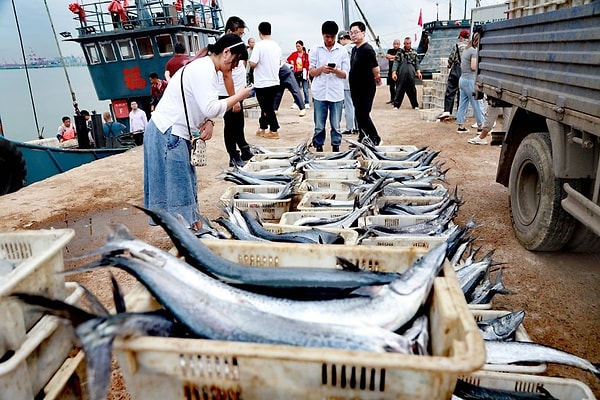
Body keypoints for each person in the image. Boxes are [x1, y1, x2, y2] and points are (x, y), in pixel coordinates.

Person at [144, 33, 252, 230]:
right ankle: (187, 230)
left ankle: (188, 226)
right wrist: (238, 96)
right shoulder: (204, 69)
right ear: (226, 53)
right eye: (235, 62)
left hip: (171, 131)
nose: (235, 67)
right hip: (168, 132)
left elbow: (203, 106)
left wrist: (209, 121)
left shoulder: (205, 67)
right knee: (179, 186)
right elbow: (210, 106)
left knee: (183, 183)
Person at [218, 16, 254, 167]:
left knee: (239, 122)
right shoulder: (223, 47)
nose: (240, 38)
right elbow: (226, 75)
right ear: (229, 31)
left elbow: (241, 67)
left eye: (241, 34)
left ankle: (244, 148)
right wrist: (234, 98)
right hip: (227, 92)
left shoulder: (237, 46)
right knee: (231, 124)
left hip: (239, 89)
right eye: (238, 34)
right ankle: (233, 155)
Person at [308, 20, 349, 152]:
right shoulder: (315, 50)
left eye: (332, 36)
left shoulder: (342, 51)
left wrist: (335, 70)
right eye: (327, 36)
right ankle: (318, 146)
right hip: (320, 92)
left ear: (336, 36)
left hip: (336, 92)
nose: (330, 39)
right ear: (323, 35)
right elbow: (311, 71)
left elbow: (345, 74)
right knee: (319, 124)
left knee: (336, 124)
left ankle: (335, 146)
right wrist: (321, 69)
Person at [349, 21, 382, 145]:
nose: (353, 35)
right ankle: (362, 137)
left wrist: (370, 79)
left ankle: (375, 138)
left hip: (366, 87)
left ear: (363, 33)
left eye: (356, 32)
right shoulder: (354, 49)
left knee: (363, 114)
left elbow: (376, 69)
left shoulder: (368, 49)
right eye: (351, 33)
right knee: (358, 113)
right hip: (355, 87)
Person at [248, 22, 282, 139]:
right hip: (274, 80)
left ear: (259, 32)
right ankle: (262, 127)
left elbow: (253, 63)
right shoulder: (276, 46)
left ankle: (274, 129)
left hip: (262, 82)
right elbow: (279, 63)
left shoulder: (259, 45)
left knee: (266, 107)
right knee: (267, 106)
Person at [456, 32, 484, 133]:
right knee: (477, 103)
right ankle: (481, 127)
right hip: (470, 81)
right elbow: (473, 66)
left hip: (462, 79)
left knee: (462, 104)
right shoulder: (474, 51)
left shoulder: (467, 49)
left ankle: (461, 126)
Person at [438, 29, 470, 119]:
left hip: (457, 69)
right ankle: (461, 114)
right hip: (467, 71)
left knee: (451, 89)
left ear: (461, 37)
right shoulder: (472, 46)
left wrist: (449, 64)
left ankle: (447, 111)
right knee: (462, 93)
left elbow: (451, 58)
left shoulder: (456, 45)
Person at [391, 37, 422, 110]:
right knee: (399, 89)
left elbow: (417, 63)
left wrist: (418, 72)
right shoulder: (400, 52)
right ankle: (396, 105)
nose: (408, 45)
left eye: (409, 43)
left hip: (411, 73)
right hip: (402, 73)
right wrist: (394, 72)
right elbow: (396, 62)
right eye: (407, 43)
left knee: (412, 89)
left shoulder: (414, 52)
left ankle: (415, 105)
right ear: (404, 44)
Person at [338, 30, 357, 135]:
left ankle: (350, 127)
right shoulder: (356, 48)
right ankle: (357, 126)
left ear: (342, 39)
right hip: (357, 80)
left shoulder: (343, 49)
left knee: (349, 105)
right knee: (356, 105)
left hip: (346, 81)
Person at [286, 40, 310, 109]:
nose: (298, 48)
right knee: (296, 89)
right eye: (296, 46)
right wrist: (292, 62)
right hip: (296, 73)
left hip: (304, 73)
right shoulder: (294, 54)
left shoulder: (306, 55)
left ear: (302, 46)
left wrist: (307, 73)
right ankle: (296, 102)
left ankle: (307, 102)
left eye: (299, 46)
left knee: (305, 89)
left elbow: (308, 64)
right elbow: (287, 60)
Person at [385, 39, 401, 104]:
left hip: (398, 71)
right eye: (394, 44)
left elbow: (400, 58)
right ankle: (392, 99)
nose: (395, 45)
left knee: (398, 86)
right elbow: (387, 56)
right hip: (390, 71)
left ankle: (397, 100)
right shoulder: (390, 50)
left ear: (399, 44)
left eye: (397, 44)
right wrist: (395, 57)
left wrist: (393, 58)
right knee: (391, 86)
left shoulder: (401, 51)